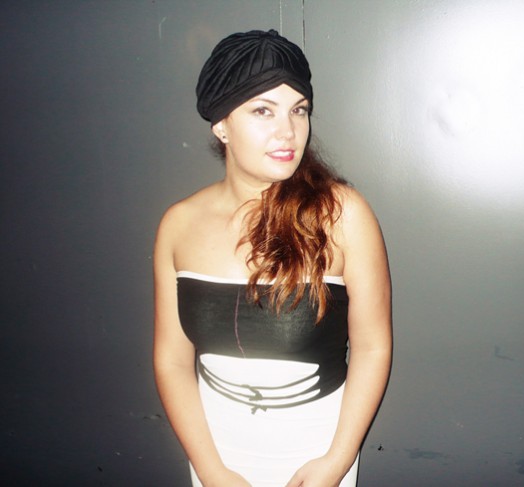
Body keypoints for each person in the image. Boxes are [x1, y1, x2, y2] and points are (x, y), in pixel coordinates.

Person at [153, 29, 392, 487]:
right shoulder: (178, 225)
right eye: (263, 110)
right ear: (221, 124)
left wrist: (337, 461)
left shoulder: (342, 216)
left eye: (298, 110)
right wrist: (210, 470)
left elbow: (372, 346)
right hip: (215, 453)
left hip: (316, 453)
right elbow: (172, 360)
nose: (288, 131)